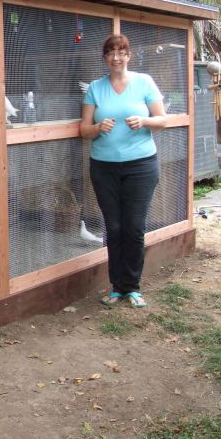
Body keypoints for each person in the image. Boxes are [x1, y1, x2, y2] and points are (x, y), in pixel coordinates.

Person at [79, 34, 166, 308]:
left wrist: (144, 121)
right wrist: (96, 128)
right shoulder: (95, 87)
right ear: (105, 58)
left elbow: (162, 120)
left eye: (121, 52)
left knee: (134, 226)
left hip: (141, 166)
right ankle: (116, 287)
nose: (116, 57)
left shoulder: (144, 82)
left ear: (129, 55)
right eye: (110, 53)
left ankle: (133, 287)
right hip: (104, 168)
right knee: (114, 227)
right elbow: (83, 130)